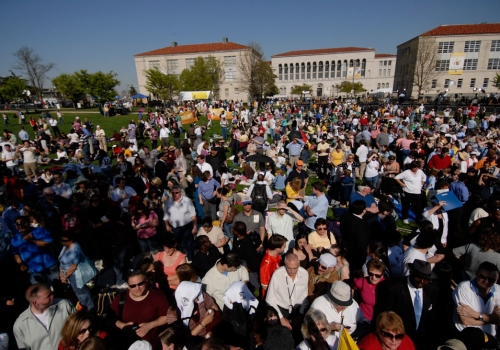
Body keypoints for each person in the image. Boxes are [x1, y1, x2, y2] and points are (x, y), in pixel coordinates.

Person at [373, 259, 439, 349]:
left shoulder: (431, 290)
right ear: (411, 273)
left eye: (425, 279)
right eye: (419, 277)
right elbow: (383, 317)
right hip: (397, 340)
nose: (422, 281)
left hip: (422, 341)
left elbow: (431, 317)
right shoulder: (392, 289)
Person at [109, 270, 169, 349]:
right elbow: (111, 318)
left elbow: (166, 317)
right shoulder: (120, 299)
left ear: (146, 281)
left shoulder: (158, 297)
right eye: (133, 286)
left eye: (140, 284)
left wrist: (150, 325)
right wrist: (123, 325)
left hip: (153, 345)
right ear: (128, 286)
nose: (137, 288)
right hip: (127, 345)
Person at [14, 283, 75, 350]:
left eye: (52, 293)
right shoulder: (20, 324)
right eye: (48, 296)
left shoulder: (65, 305)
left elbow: (79, 326)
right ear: (35, 303)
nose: (52, 296)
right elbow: (23, 348)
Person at [453, 261, 500, 336]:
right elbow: (466, 321)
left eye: (491, 279)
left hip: (489, 336)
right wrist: (493, 319)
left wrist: (475, 314)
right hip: (467, 335)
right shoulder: (464, 288)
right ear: (476, 273)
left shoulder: (498, 289)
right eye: (483, 277)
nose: (486, 281)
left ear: (496, 280)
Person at [10, 215, 59, 286]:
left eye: (23, 222)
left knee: (57, 287)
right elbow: (16, 254)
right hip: (33, 269)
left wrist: (32, 240)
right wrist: (21, 264)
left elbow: (48, 244)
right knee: (40, 292)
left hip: (49, 266)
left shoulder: (40, 230)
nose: (21, 225)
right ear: (16, 227)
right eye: (18, 224)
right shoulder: (15, 239)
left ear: (29, 222)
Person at [265, 253, 309, 330]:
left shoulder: (304, 274)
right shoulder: (277, 274)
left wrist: (300, 314)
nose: (292, 271)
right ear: (285, 264)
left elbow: (304, 295)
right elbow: (269, 299)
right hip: (280, 310)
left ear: (299, 264)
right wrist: (281, 318)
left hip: (298, 310)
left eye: (295, 268)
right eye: (289, 268)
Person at [58, 231, 95, 310]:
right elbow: (61, 261)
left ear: (71, 240)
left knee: (80, 291)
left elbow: (73, 266)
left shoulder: (75, 249)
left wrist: (64, 276)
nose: (62, 242)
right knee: (76, 291)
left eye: (64, 241)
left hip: (75, 274)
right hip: (66, 273)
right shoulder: (65, 247)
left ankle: (90, 307)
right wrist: (61, 274)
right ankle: (83, 305)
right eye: (61, 240)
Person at [163, 184, 197, 261]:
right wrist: (167, 226)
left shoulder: (187, 201)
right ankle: (180, 259)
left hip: (187, 226)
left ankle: (191, 260)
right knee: (177, 245)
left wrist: (194, 227)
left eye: (177, 192)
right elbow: (165, 216)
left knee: (189, 244)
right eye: (173, 193)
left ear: (180, 192)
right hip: (175, 228)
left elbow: (193, 214)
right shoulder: (168, 202)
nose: (175, 194)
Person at [339, 200, 371, 271]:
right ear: (363, 211)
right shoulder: (361, 226)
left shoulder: (345, 216)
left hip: (345, 246)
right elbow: (362, 243)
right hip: (356, 253)